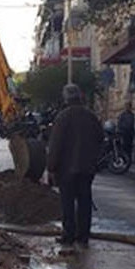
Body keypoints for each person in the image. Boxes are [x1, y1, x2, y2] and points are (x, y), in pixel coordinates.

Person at [47, 83, 104, 251]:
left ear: (66, 99)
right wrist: (93, 159)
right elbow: (101, 138)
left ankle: (68, 235)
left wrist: (50, 167)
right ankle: (83, 236)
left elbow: (55, 145)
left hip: (66, 169)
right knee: (85, 201)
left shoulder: (63, 117)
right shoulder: (91, 116)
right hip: (87, 168)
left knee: (67, 203)